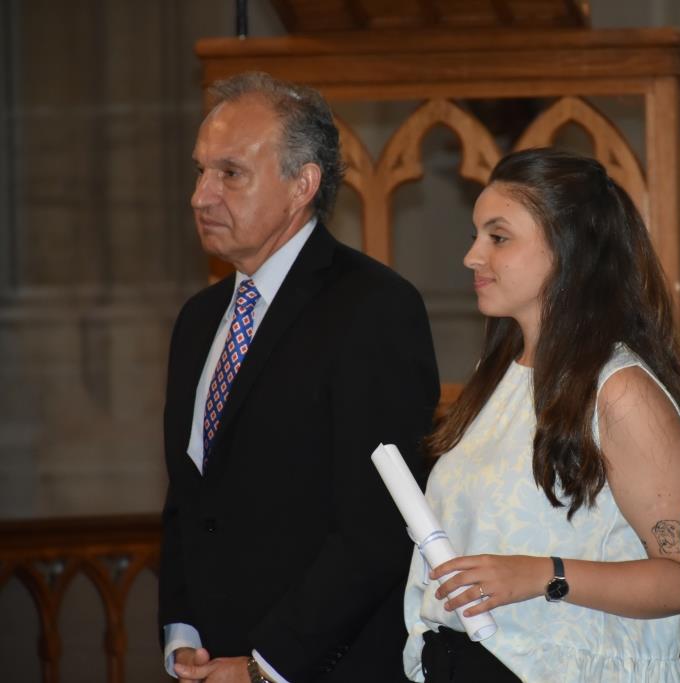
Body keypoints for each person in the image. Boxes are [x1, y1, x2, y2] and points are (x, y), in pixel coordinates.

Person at [159, 72, 440, 682]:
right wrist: (182, 633)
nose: (201, 196)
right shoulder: (198, 320)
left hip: (318, 667)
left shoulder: (374, 308)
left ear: (302, 184)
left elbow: (379, 527)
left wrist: (264, 666)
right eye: (200, 171)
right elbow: (190, 498)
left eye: (230, 173)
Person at [402, 148, 680, 682]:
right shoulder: (497, 369)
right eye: (477, 236)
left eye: (498, 237)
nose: (472, 257)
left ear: (569, 250)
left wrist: (542, 574)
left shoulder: (620, 391)